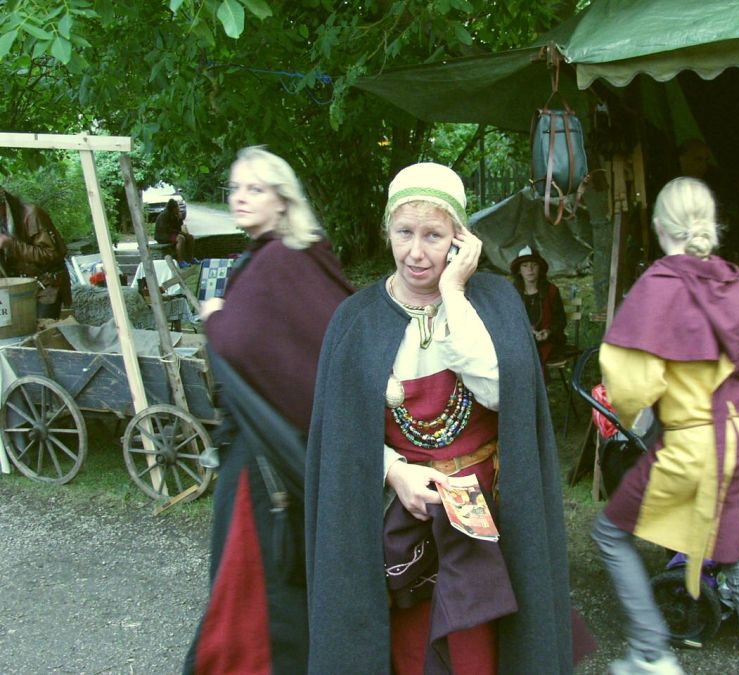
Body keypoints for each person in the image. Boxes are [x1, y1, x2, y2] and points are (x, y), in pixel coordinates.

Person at [305, 162, 576, 673]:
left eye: (433, 235)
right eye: (404, 232)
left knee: (481, 650)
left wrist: (453, 292)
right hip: (404, 514)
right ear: (387, 231)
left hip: (486, 514)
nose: (416, 251)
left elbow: (502, 395)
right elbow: (339, 435)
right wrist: (394, 471)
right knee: (412, 649)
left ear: (460, 239)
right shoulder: (356, 321)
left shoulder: (493, 302)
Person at [591, 177, 739, 675]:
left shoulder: (658, 287)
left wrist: (636, 415)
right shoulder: (734, 283)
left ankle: (651, 652)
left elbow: (631, 386)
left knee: (609, 533)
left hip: (693, 444)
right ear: (709, 224)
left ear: (659, 227)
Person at [183, 147, 353, 674]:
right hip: (283, 446)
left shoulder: (279, 261)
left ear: (282, 200)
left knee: (257, 581)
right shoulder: (295, 254)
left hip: (265, 457)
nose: (240, 197)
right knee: (281, 576)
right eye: (235, 188)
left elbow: (242, 343)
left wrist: (214, 316)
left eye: (254, 188)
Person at [0, 186, 71, 319]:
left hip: (47, 285)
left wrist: (11, 245)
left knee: (44, 329)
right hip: (17, 289)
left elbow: (51, 253)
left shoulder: (32, 214)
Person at [510, 244, 567, 367]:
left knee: (531, 354)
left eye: (534, 265)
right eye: (525, 266)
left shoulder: (551, 291)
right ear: (519, 271)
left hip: (548, 341)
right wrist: (527, 330)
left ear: (540, 268)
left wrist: (548, 331)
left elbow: (560, 320)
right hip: (521, 340)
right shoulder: (513, 292)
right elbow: (508, 319)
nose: (530, 269)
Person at [154, 198, 195, 263]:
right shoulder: (164, 215)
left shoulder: (175, 215)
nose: (178, 209)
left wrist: (179, 219)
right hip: (162, 236)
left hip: (170, 235)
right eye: (177, 207)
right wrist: (180, 233)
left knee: (190, 237)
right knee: (180, 238)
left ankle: (190, 259)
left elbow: (178, 228)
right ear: (173, 208)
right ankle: (180, 261)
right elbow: (167, 230)